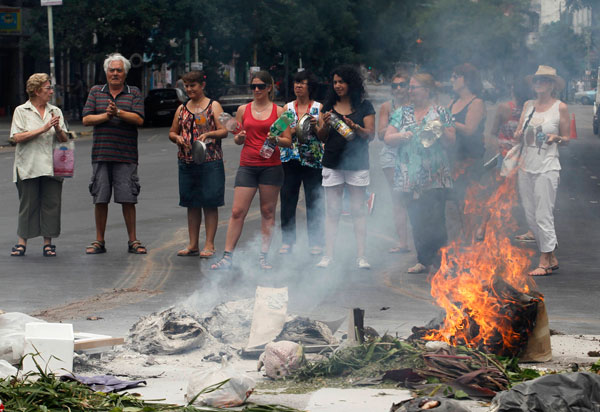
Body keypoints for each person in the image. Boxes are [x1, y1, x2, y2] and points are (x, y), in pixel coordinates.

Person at [210, 71, 292, 270]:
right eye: (253, 86)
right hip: (248, 164)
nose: (256, 90)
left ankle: (263, 256)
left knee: (268, 211)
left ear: (269, 87)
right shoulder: (243, 109)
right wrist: (240, 138)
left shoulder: (281, 112)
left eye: (261, 86)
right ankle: (228, 256)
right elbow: (238, 137)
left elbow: (288, 141)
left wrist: (275, 140)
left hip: (270, 166)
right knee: (238, 211)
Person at [384, 73, 456, 274]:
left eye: (414, 87)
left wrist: (439, 130)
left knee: (435, 219)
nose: (410, 90)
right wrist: (401, 135)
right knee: (416, 218)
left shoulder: (441, 112)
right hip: (409, 174)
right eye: (410, 87)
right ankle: (423, 259)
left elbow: (451, 141)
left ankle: (441, 261)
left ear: (427, 90)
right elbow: (388, 138)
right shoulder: (401, 113)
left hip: (434, 174)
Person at [82, 53, 146, 255]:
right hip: (101, 154)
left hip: (126, 155)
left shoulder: (134, 92)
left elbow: (139, 119)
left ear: (125, 73)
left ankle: (133, 240)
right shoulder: (95, 92)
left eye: (119, 70)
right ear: (106, 73)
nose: (115, 74)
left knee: (128, 199)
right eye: (112, 70)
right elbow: (86, 119)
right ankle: (99, 240)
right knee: (100, 199)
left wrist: (118, 113)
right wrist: (106, 115)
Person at [316, 65, 376, 269]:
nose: (338, 86)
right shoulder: (327, 107)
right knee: (332, 210)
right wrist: (323, 124)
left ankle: (361, 256)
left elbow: (371, 134)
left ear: (352, 83)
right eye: (335, 82)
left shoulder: (364, 106)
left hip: (357, 163)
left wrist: (356, 127)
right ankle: (328, 255)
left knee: (358, 210)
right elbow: (321, 137)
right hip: (332, 162)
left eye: (342, 81)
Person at [515, 65, 570, 276]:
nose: (539, 84)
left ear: (552, 85)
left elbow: (567, 139)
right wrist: (518, 133)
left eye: (544, 81)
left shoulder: (560, 107)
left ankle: (545, 259)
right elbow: (519, 133)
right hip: (526, 165)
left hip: (547, 167)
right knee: (530, 216)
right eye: (537, 80)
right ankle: (551, 255)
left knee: (543, 214)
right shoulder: (528, 106)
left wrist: (556, 138)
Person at [168, 70, 228, 257]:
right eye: (186, 86)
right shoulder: (182, 109)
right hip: (186, 161)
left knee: (210, 202)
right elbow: (172, 132)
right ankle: (193, 244)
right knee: (191, 203)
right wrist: (177, 138)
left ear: (202, 85)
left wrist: (209, 134)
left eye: (192, 85)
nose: (189, 89)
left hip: (210, 161)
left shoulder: (213, 106)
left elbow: (224, 131)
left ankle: (209, 244)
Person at [9, 73, 69, 257]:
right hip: (28, 164)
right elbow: (16, 137)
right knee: (28, 204)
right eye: (48, 88)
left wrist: (57, 129)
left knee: (51, 203)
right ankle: (22, 242)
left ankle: (48, 243)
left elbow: (64, 139)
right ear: (36, 91)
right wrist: (43, 128)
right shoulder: (21, 110)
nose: (51, 91)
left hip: (52, 164)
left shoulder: (55, 111)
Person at [476, 77, 534, 242]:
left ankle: (483, 227)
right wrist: (500, 150)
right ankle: (530, 229)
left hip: (511, 158)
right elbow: (493, 134)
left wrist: (500, 149)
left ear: (513, 89)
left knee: (499, 193)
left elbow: (493, 133)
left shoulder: (518, 109)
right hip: (514, 158)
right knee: (526, 195)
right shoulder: (530, 109)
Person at [278, 70, 325, 256]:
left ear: (310, 87)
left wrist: (316, 126)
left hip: (313, 160)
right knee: (288, 199)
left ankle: (316, 241)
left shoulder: (319, 108)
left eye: (302, 83)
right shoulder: (287, 108)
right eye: (296, 83)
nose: (298, 86)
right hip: (290, 158)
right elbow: (279, 131)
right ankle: (287, 241)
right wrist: (282, 131)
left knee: (314, 201)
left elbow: (324, 135)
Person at [448, 63, 486, 237]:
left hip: (470, 159)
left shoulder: (476, 102)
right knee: (457, 200)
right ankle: (465, 234)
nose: (452, 80)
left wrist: (447, 122)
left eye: (456, 76)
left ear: (467, 79)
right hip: (453, 158)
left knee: (471, 199)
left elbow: (470, 129)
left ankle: (477, 231)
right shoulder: (453, 102)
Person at [378, 70, 410, 253]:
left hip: (412, 155)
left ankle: (421, 240)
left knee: (414, 198)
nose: (398, 89)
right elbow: (381, 134)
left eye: (402, 85)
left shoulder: (417, 106)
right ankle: (403, 242)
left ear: (409, 87)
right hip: (391, 155)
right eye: (395, 86)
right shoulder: (387, 107)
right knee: (397, 198)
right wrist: (396, 128)